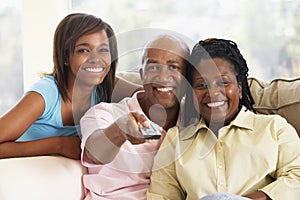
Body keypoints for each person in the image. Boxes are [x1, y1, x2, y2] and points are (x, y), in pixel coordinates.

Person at [147, 38, 300, 200]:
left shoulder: (274, 128)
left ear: (239, 89)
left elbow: (297, 176)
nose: (212, 93)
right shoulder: (175, 140)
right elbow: (160, 196)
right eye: (201, 85)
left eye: (223, 82)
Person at [0, 13, 140, 160]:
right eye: (83, 50)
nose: (96, 59)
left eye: (103, 50)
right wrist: (59, 144)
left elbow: (151, 96)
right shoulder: (44, 95)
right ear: (66, 57)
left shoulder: (107, 86)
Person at [80, 34, 190, 199]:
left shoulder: (194, 123)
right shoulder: (104, 114)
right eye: (153, 67)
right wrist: (119, 130)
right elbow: (94, 152)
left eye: (173, 67)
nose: (163, 77)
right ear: (142, 74)